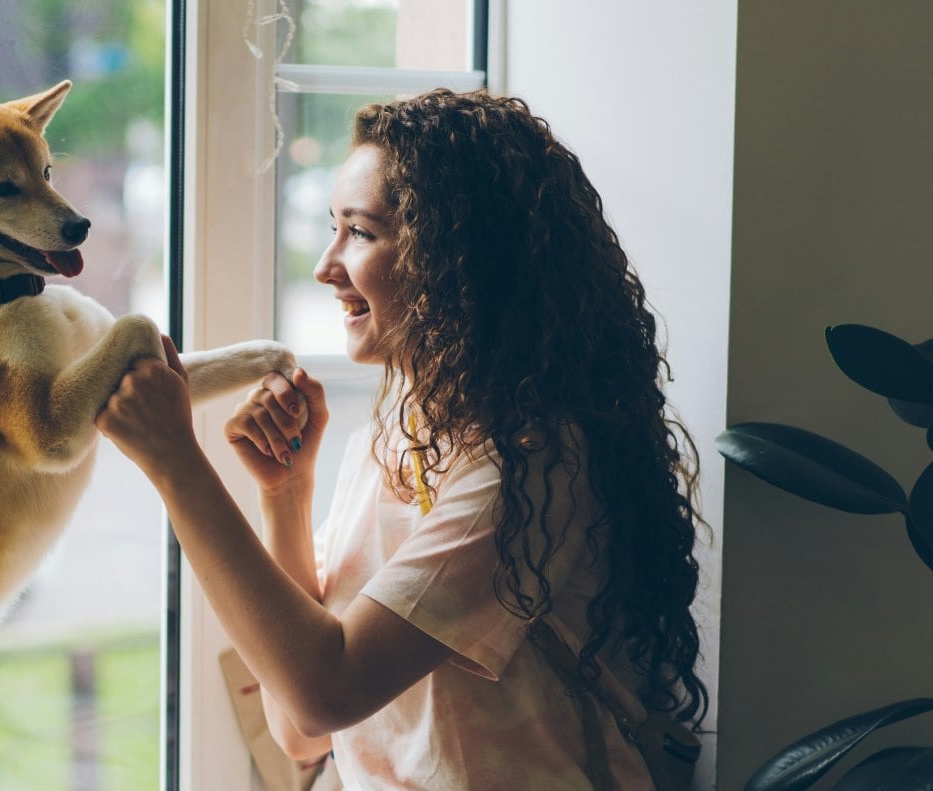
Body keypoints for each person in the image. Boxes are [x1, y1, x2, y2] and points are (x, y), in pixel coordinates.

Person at [96, 88, 707, 789]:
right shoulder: (394, 438)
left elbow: (328, 687)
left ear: (460, 256)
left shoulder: (531, 466)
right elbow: (302, 729)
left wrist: (178, 465)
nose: (327, 267)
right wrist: (285, 496)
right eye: (333, 228)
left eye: (360, 232)